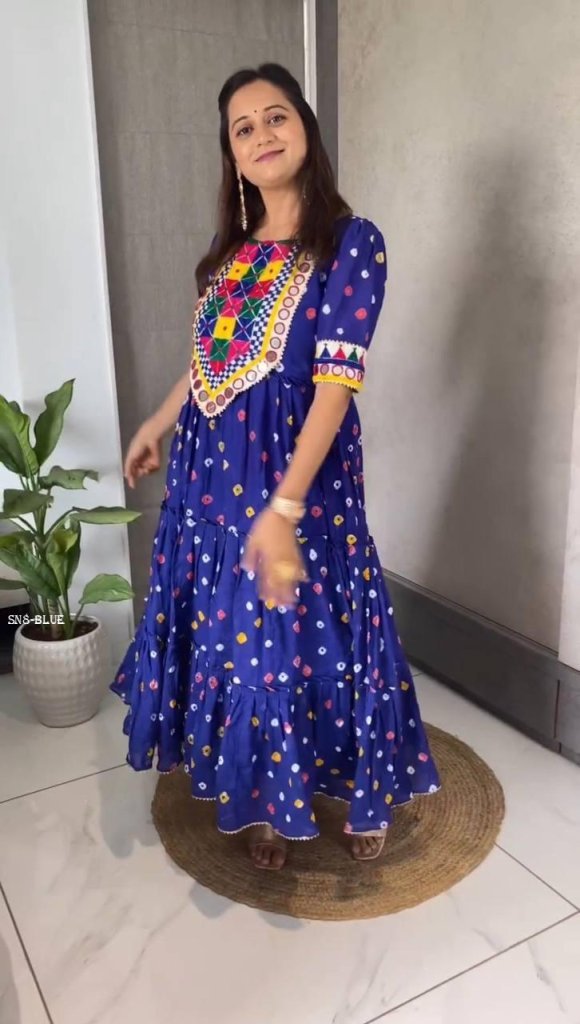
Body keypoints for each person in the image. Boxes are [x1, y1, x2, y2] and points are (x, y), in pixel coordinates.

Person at [111, 62, 441, 871]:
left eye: (276, 116)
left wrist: (285, 507)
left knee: (319, 630)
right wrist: (157, 422)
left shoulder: (352, 243)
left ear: (306, 129)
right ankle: (266, 795)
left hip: (300, 479)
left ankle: (360, 788)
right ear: (231, 154)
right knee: (243, 636)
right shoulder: (227, 255)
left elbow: (335, 384)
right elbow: (211, 363)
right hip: (212, 482)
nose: (262, 134)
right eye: (243, 127)